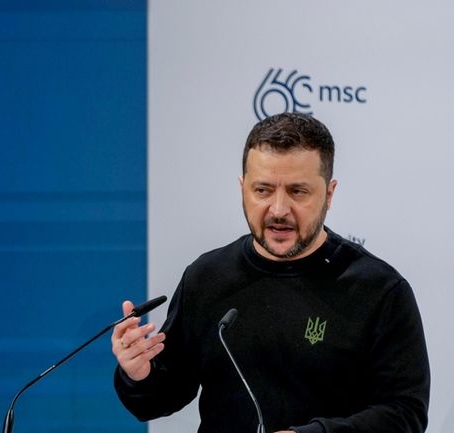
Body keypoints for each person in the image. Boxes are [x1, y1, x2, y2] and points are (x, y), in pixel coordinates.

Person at [111, 112, 430, 433]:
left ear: (329, 194)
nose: (278, 210)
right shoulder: (206, 277)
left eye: (297, 192)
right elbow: (161, 398)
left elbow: (405, 415)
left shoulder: (380, 290)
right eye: (263, 190)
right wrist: (138, 374)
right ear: (242, 188)